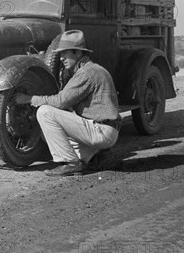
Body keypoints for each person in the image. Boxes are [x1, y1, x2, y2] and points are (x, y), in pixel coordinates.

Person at [18, 29, 121, 176]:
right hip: (104, 130)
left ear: (78, 53)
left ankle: (70, 163)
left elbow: (60, 101)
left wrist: (29, 99)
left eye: (65, 53)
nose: (61, 58)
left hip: (101, 131)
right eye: (60, 54)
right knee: (46, 131)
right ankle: (95, 156)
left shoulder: (86, 73)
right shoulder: (92, 69)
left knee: (45, 113)